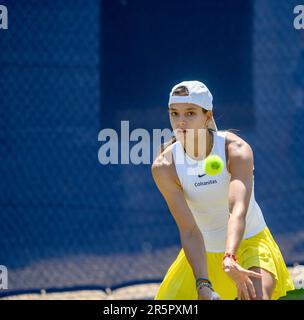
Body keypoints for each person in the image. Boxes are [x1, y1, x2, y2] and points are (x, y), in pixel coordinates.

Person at [151, 80, 294, 300]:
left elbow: (237, 210)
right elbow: (189, 231)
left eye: (190, 113)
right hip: (202, 255)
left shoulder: (236, 150)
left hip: (249, 245)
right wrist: (202, 283)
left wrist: (230, 256)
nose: (180, 122)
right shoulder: (164, 167)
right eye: (174, 113)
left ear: (207, 116)